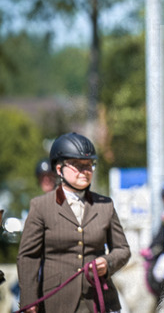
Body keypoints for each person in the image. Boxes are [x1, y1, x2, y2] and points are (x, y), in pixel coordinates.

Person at [17, 132, 131, 313]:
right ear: (59, 169)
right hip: (56, 300)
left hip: (98, 299)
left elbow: (122, 249)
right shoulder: (40, 206)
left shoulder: (106, 205)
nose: (85, 171)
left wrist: (107, 262)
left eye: (89, 165)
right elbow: (28, 257)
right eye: (78, 165)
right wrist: (29, 300)